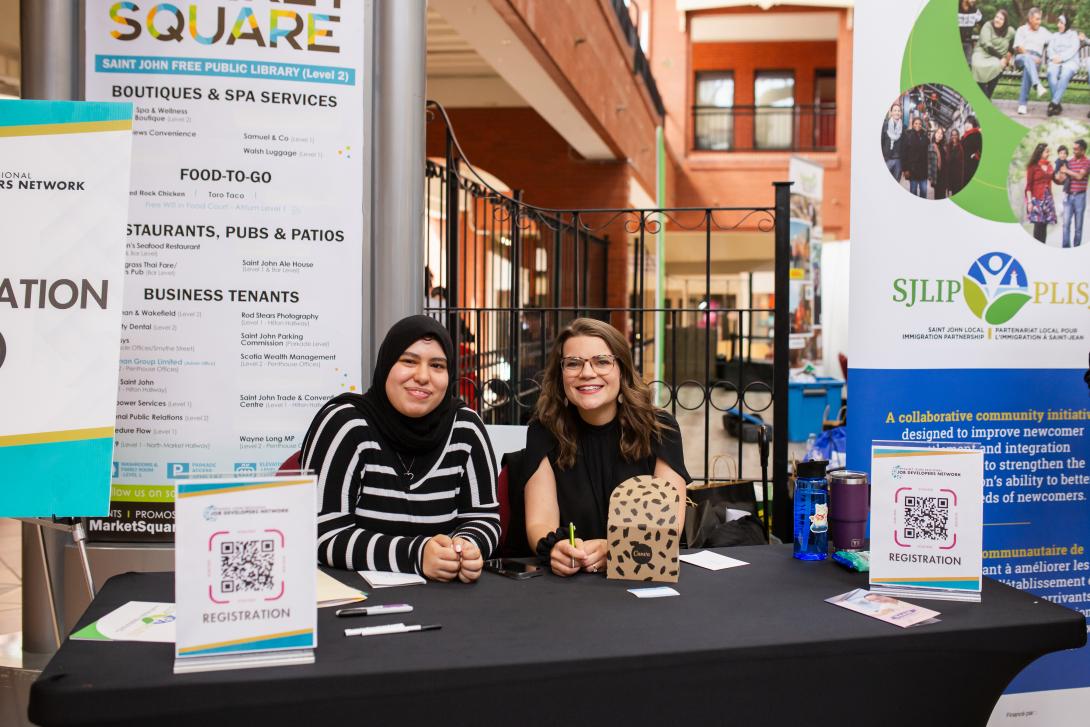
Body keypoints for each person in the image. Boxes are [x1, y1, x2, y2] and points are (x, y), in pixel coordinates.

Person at [302, 315, 500, 580]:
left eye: (437, 366)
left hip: (449, 597)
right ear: (386, 364)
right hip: (356, 600)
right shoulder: (345, 424)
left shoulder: (466, 427)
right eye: (408, 361)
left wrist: (465, 548)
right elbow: (321, 533)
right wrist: (416, 556)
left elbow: (484, 519)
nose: (422, 376)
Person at [523, 318, 691, 576]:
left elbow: (670, 526)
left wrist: (615, 548)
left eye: (602, 361)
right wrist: (555, 548)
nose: (587, 373)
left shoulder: (659, 428)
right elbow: (539, 520)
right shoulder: (543, 431)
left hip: (641, 575)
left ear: (622, 370)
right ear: (561, 375)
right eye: (573, 363)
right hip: (570, 587)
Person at [1012, 7, 1052, 115]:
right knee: (1028, 61)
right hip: (1021, 57)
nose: (1039, 22)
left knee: (1028, 70)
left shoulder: (1043, 31)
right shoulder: (1022, 29)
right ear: (1030, 18)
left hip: (1035, 62)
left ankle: (1022, 104)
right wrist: (1029, 56)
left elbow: (1056, 39)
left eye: (1040, 19)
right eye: (1037, 19)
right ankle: (1037, 84)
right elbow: (1018, 47)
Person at [972, 9, 1015, 99]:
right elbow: (986, 45)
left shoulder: (1010, 31)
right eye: (997, 17)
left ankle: (987, 97)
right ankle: (985, 97)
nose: (997, 20)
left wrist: (1007, 59)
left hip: (996, 59)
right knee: (977, 66)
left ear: (1005, 21)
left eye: (1001, 19)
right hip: (982, 53)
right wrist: (1002, 58)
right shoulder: (988, 26)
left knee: (998, 66)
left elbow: (1013, 45)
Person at [1046, 12, 1082, 116]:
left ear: (1067, 24)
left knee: (1064, 75)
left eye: (1061, 23)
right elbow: (1049, 49)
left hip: (1070, 61)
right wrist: (1054, 58)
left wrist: (1061, 58)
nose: (1058, 25)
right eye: (1058, 22)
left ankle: (1053, 103)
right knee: (1051, 74)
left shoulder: (1073, 35)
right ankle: (1057, 105)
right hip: (1055, 61)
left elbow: (1073, 49)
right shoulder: (1055, 35)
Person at [1024, 143, 1056, 243]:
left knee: (1044, 226)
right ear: (1040, 153)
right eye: (1047, 151)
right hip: (1037, 199)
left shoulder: (1050, 166)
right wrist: (1029, 202)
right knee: (1038, 226)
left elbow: (1055, 179)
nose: (1049, 153)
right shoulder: (1032, 166)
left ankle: (1043, 247)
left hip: (1048, 199)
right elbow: (1028, 186)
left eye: (1049, 151)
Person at [1062, 139, 1089, 247]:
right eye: (1073, 149)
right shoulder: (1069, 162)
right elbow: (1063, 178)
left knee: (1078, 227)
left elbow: (1079, 176)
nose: (1074, 151)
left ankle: (1076, 247)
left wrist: (1067, 171)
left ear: (1083, 150)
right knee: (1066, 225)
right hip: (1068, 196)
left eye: (1076, 149)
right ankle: (1065, 248)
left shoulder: (1087, 162)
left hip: (1080, 197)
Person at [901, 116, 930, 198]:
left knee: (924, 191)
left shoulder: (925, 137)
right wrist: (905, 169)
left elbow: (928, 153)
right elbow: (904, 153)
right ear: (913, 125)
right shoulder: (908, 136)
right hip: (912, 170)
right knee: (913, 191)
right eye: (916, 123)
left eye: (920, 124)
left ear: (922, 125)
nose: (918, 125)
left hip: (923, 170)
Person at [881, 103, 904, 181]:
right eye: (895, 110)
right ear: (891, 112)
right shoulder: (885, 125)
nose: (897, 112)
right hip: (887, 160)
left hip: (898, 161)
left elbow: (905, 146)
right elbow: (881, 142)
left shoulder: (904, 127)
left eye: (899, 111)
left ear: (901, 113)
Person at [946, 128, 967, 195]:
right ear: (951, 136)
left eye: (955, 135)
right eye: (952, 135)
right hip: (950, 175)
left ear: (958, 135)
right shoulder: (949, 146)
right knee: (952, 193)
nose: (954, 136)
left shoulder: (961, 146)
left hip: (958, 176)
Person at [962, 116, 983, 182]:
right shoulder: (964, 136)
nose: (967, 125)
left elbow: (981, 148)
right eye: (966, 123)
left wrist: (975, 155)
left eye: (969, 123)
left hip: (972, 165)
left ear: (973, 124)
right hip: (964, 165)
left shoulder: (976, 134)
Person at [929, 126, 948, 200]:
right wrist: (931, 178)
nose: (939, 135)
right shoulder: (932, 146)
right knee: (938, 196)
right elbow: (930, 162)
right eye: (938, 133)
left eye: (941, 133)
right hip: (937, 175)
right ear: (935, 134)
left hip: (944, 174)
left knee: (943, 195)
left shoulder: (943, 146)